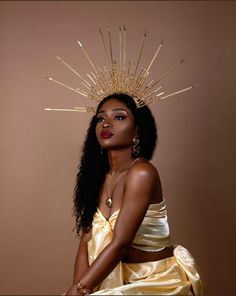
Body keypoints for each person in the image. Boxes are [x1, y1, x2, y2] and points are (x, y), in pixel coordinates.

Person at [65, 93, 204, 295]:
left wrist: (80, 289)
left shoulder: (142, 173)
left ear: (137, 131)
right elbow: (84, 246)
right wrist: (78, 288)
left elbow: (120, 243)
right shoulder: (96, 177)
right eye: (101, 118)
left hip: (154, 282)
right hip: (113, 281)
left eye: (119, 117)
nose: (106, 123)